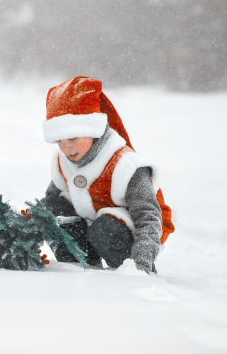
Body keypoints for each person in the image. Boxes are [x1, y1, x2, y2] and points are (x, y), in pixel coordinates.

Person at [41, 76, 174, 274]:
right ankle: (80, 263)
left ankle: (125, 268)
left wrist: (142, 263)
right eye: (59, 141)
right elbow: (50, 201)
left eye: (73, 137)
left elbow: (148, 216)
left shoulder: (124, 165)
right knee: (54, 209)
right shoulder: (63, 161)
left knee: (105, 229)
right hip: (94, 218)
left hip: (135, 229)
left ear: (93, 130)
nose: (66, 147)